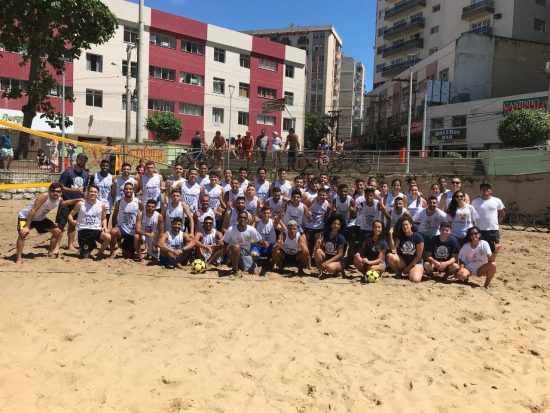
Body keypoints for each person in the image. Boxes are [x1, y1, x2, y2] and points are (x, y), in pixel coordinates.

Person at [16, 183, 74, 264]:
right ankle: (18, 258)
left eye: (58, 191)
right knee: (23, 234)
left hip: (40, 218)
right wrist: (27, 227)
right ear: (49, 190)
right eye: (53, 191)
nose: (55, 193)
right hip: (26, 217)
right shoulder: (44, 196)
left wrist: (78, 200)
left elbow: (64, 203)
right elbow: (32, 211)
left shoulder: (59, 199)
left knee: (57, 232)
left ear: (61, 192)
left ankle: (50, 253)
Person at [56, 152, 90, 251]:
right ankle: (57, 245)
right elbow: (60, 187)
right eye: (81, 159)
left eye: (84, 159)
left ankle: (70, 245)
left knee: (73, 225)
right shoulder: (68, 172)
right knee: (61, 225)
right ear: (77, 159)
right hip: (66, 202)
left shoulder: (86, 174)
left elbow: (84, 189)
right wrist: (74, 190)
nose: (82, 161)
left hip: (77, 203)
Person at [67, 185, 111, 259]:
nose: (93, 193)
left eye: (95, 192)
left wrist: (105, 227)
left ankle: (99, 254)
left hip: (96, 230)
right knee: (85, 256)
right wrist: (72, 221)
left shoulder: (101, 204)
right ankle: (87, 248)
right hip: (84, 231)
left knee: (108, 237)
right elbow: (70, 215)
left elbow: (104, 218)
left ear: (98, 194)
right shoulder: (81, 204)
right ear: (87, 193)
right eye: (91, 191)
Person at [222, 210, 264, 276]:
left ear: (247, 220)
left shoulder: (251, 229)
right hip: (233, 252)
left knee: (256, 273)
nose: (242, 219)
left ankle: (240, 265)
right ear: (237, 219)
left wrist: (264, 243)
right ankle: (235, 271)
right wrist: (223, 257)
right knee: (236, 247)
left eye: (244, 218)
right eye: (241, 217)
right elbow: (224, 243)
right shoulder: (231, 229)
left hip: (245, 253)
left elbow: (259, 241)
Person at [109, 182, 143, 259]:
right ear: (123, 190)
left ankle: (133, 251)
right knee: (113, 231)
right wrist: (114, 226)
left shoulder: (138, 202)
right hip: (122, 229)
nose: (128, 190)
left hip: (133, 230)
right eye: (126, 189)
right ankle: (112, 252)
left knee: (128, 255)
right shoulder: (119, 202)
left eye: (130, 189)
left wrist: (141, 230)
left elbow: (143, 216)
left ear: (133, 190)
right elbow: (114, 215)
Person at [386, 216, 425, 283]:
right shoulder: (400, 237)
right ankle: (398, 273)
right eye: (403, 225)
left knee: (415, 280)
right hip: (403, 262)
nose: (405, 227)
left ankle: (414, 271)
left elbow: (419, 256)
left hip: (415, 263)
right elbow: (393, 250)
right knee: (389, 256)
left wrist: (408, 268)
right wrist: (390, 234)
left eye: (406, 224)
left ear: (411, 225)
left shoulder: (418, 237)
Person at [471, 183, 505, 254]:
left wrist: (497, 221)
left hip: (493, 230)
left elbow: (501, 213)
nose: (485, 190)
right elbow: (472, 215)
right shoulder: (475, 202)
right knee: (481, 250)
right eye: (482, 189)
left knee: (493, 249)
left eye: (487, 189)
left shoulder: (497, 201)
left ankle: (491, 263)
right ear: (480, 191)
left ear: (491, 191)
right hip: (480, 230)